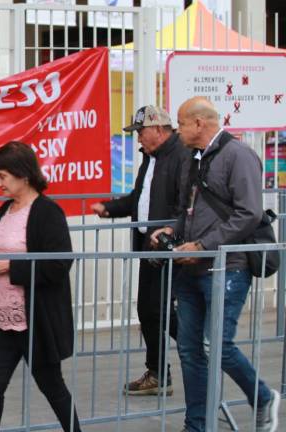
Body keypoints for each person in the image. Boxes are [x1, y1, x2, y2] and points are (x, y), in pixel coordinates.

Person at [151, 96, 281, 432]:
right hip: (191, 267)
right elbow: (188, 211)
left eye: (179, 123)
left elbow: (249, 212)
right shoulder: (192, 159)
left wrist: (205, 245)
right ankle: (198, 424)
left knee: (218, 345)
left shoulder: (238, 156)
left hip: (229, 267)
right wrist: (172, 230)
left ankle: (263, 396)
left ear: (199, 123)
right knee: (191, 351)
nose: (176, 130)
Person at [0, 142, 81, 432]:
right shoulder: (5, 210)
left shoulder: (48, 212)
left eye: (2, 176)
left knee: (53, 389)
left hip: (35, 322)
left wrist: (12, 266)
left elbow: (59, 265)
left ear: (23, 175)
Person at [90, 105, 190, 396]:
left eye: (141, 132)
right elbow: (139, 198)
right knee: (147, 310)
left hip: (171, 248)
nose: (138, 139)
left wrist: (172, 232)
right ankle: (158, 373)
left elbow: (185, 205)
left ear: (158, 129)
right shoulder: (151, 157)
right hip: (150, 247)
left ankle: (199, 345)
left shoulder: (182, 156)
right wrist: (109, 208)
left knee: (160, 309)